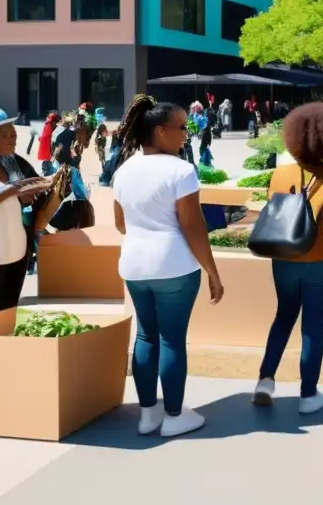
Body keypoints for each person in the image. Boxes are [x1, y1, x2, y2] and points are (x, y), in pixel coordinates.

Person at [111, 95, 225, 438]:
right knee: (173, 340)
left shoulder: (124, 169)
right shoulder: (181, 169)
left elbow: (120, 224)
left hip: (134, 264)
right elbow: (193, 226)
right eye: (182, 128)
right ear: (161, 132)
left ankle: (148, 415)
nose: (186, 135)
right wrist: (212, 271)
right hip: (174, 264)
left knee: (146, 335)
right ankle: (174, 416)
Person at [253, 102, 323, 413]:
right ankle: (308, 394)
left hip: (282, 257)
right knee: (313, 326)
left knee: (283, 316)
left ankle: (265, 380)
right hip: (319, 260)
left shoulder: (279, 174)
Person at [0, 109, 56, 318]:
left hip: (17, 254)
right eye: (5, 132)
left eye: (13, 130)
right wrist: (13, 192)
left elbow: (28, 191)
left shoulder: (14, 162)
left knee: (5, 318)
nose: (13, 135)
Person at [36, 112, 60, 176]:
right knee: (48, 158)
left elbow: (42, 136)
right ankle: (47, 172)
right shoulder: (52, 124)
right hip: (48, 143)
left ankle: (46, 171)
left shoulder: (47, 124)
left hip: (44, 143)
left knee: (46, 158)